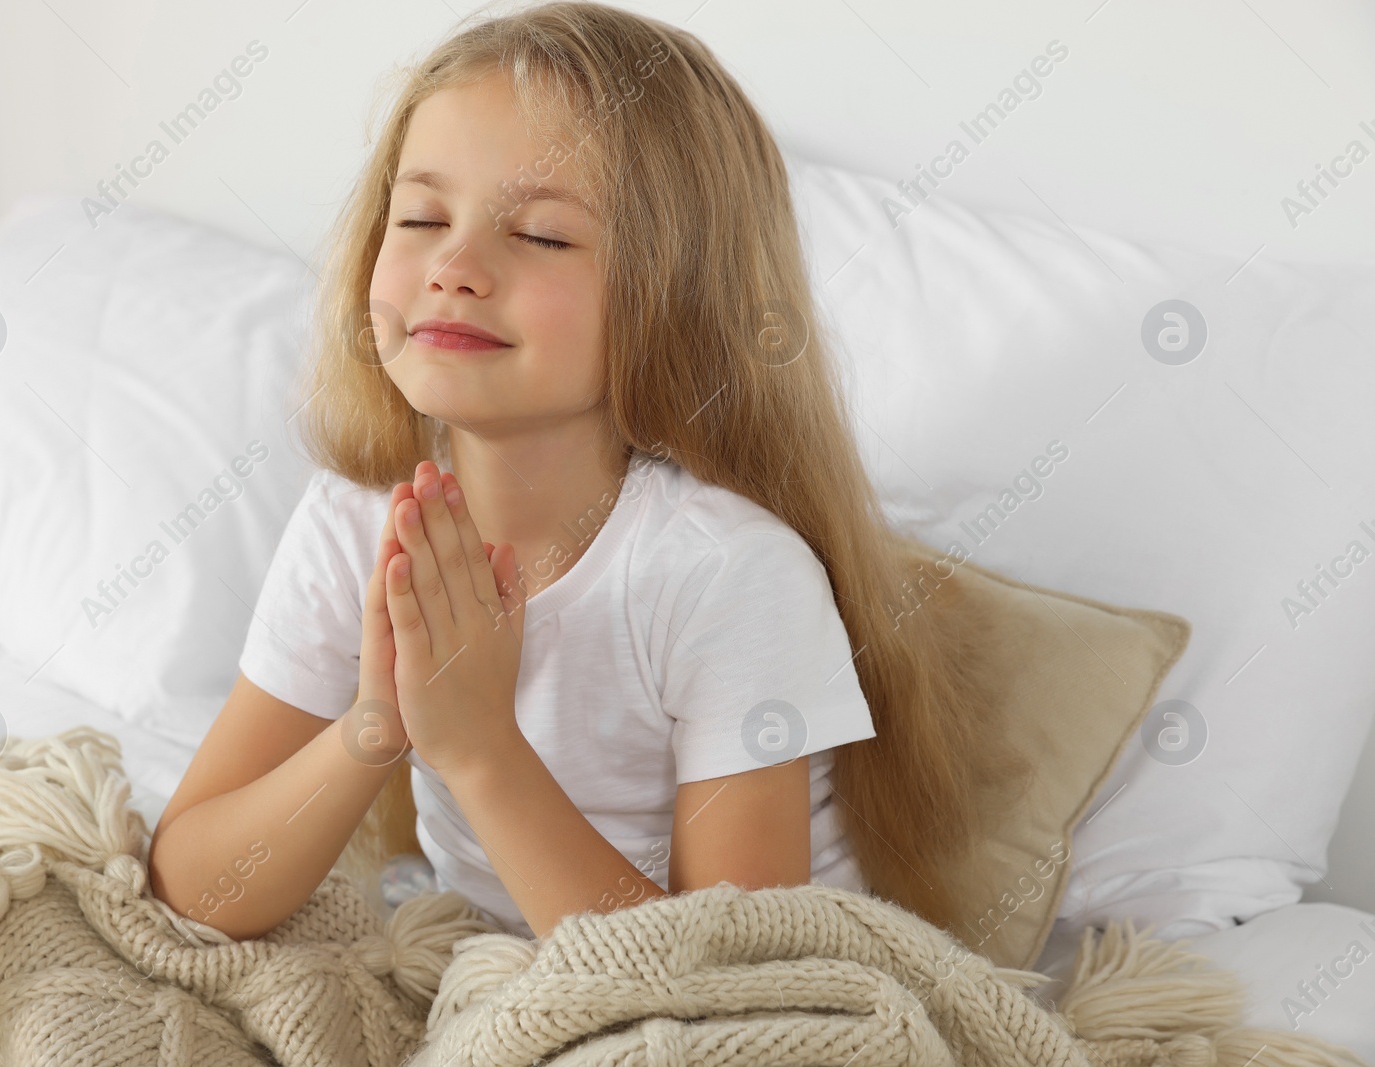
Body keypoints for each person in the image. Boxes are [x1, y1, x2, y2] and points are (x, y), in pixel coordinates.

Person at [147, 1, 1028, 943]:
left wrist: (481, 747)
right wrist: (378, 722)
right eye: (422, 216)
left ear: (678, 300)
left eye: (542, 235)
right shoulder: (355, 519)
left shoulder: (728, 574)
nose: (453, 265)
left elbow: (733, 984)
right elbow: (191, 886)